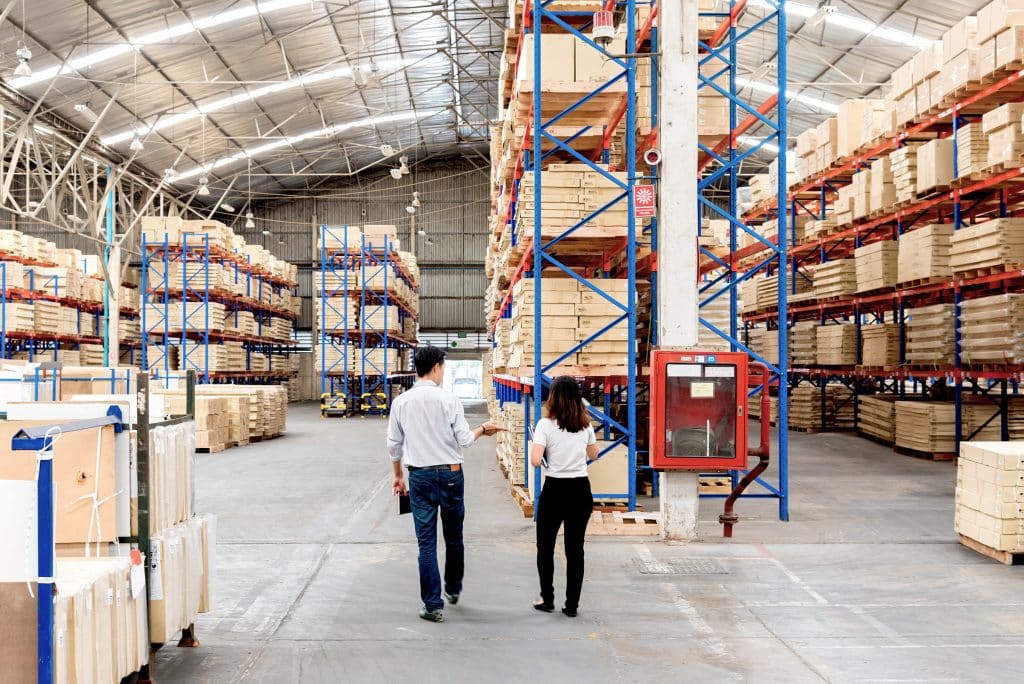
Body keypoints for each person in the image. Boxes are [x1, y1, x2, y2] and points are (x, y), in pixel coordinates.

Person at [387, 345, 500, 623]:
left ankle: (432, 605)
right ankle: (453, 588)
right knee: (453, 536)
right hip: (450, 476)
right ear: (437, 367)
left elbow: (394, 445)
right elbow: (464, 439)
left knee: (426, 543)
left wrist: (398, 476)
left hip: (420, 476)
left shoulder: (401, 402)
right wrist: (484, 429)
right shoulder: (449, 400)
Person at [530, 375, 598, 618]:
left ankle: (547, 598)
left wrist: (546, 450)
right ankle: (572, 606)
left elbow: (536, 460)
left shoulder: (544, 426)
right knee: (575, 549)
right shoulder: (586, 425)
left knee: (545, 547)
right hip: (580, 490)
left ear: (553, 398)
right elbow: (594, 455)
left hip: (554, 490)